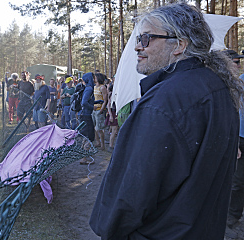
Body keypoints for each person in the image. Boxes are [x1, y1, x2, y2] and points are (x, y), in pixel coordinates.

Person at [90, 3, 244, 240]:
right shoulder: (217, 87)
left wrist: (110, 230)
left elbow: (130, 195)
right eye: (139, 39)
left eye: (147, 38)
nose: (138, 47)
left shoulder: (163, 103)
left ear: (179, 45)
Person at [225, 50, 244, 233]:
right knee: (237, 181)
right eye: (236, 62)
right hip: (239, 137)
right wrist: (235, 142)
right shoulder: (237, 83)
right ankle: (231, 217)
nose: (239, 65)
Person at [78, 72, 95, 165]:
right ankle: (83, 159)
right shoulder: (89, 89)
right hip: (86, 115)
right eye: (93, 77)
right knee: (90, 137)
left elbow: (87, 101)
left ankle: (83, 156)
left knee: (86, 136)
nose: (95, 78)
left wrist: (98, 102)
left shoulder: (87, 88)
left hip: (84, 115)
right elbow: (84, 103)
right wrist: (93, 107)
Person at [92, 72, 108, 150]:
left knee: (100, 128)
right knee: (94, 127)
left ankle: (103, 145)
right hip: (94, 110)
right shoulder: (94, 87)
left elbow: (105, 99)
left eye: (95, 77)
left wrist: (102, 109)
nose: (94, 79)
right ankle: (97, 142)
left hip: (99, 110)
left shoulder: (103, 87)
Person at [104, 84, 118, 153]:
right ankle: (111, 146)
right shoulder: (112, 95)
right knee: (114, 131)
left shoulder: (114, 94)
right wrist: (111, 116)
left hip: (114, 113)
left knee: (114, 131)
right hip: (113, 113)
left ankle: (111, 145)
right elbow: (108, 105)